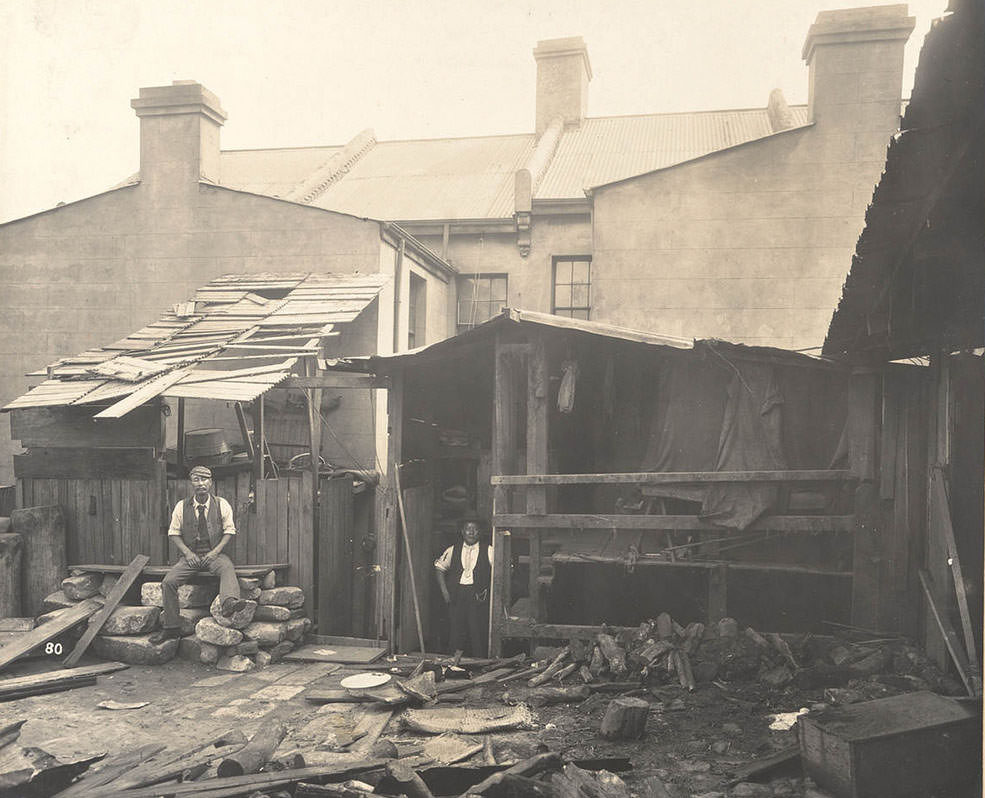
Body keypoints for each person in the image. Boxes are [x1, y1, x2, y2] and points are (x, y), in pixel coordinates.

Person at [149, 465, 246, 643]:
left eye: (204, 479)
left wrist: (215, 552)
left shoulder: (221, 503)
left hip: (214, 555)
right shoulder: (181, 506)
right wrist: (187, 553)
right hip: (190, 556)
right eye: (196, 479)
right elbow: (173, 533)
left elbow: (229, 531)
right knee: (168, 582)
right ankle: (171, 628)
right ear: (191, 483)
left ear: (210, 482)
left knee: (226, 567)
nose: (200, 483)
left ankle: (228, 604)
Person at [434, 517, 492, 657]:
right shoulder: (453, 549)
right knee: (456, 628)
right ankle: (453, 663)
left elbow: (501, 571)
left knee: (477, 629)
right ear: (462, 532)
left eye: (475, 529)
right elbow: (439, 568)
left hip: (478, 596)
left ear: (480, 532)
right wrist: (445, 592)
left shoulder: (489, 550)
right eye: (468, 529)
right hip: (457, 594)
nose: (471, 532)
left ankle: (479, 661)